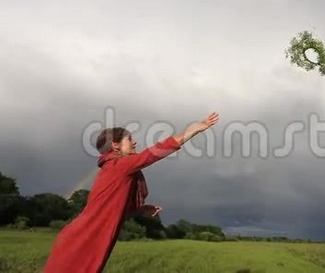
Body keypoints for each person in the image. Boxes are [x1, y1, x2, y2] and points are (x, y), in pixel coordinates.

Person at [43, 112, 219, 273]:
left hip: (85, 239)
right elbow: (154, 152)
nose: (134, 142)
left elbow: (110, 207)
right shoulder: (118, 166)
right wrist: (191, 131)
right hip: (81, 242)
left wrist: (138, 210)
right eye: (129, 139)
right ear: (115, 145)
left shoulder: (112, 168)